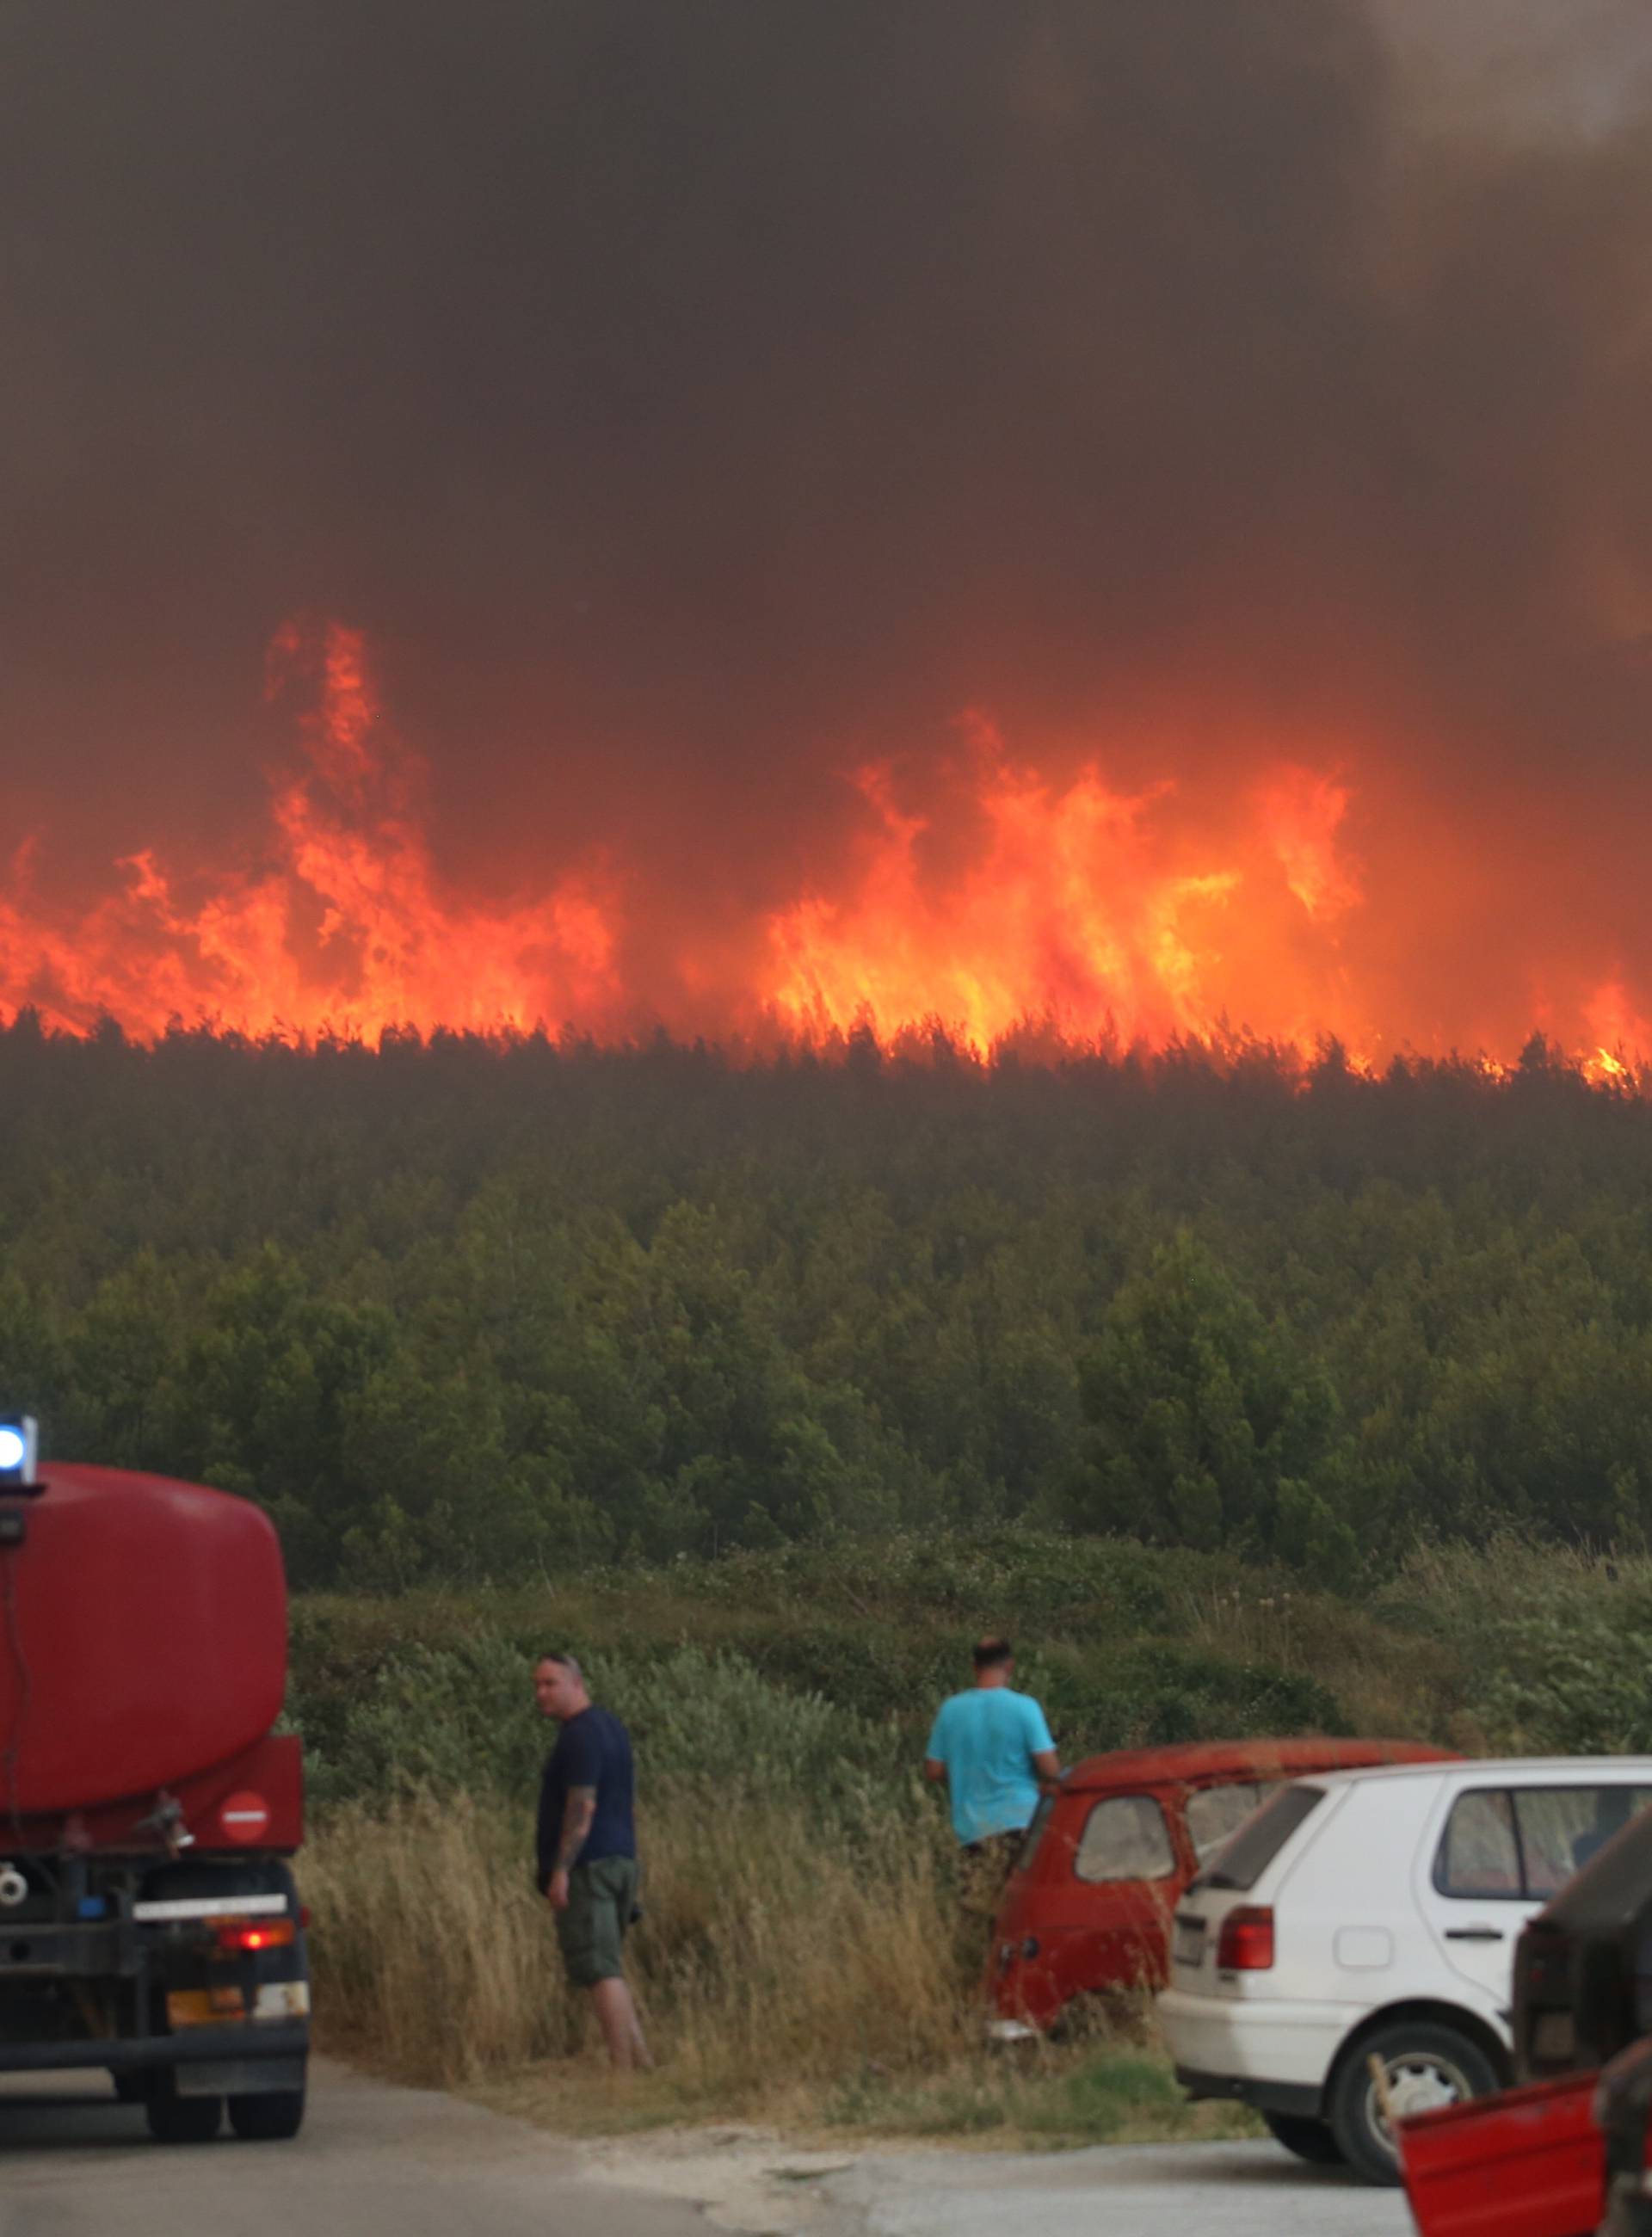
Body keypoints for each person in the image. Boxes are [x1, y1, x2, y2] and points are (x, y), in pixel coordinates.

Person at [534, 1651, 650, 2071]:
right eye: (538, 1684)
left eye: (551, 1684)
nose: (541, 1693)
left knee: (600, 1969)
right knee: (610, 1966)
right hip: (622, 1859)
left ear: (576, 1684)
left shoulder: (579, 1735)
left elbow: (582, 1806)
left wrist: (561, 1870)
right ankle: (642, 2062)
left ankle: (622, 2072)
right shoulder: (611, 1728)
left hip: (592, 1866)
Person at [924, 1636, 1060, 1881]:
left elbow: (933, 1770)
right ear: (1009, 1665)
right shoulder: (1025, 1707)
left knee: (979, 1904)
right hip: (1021, 1822)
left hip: (971, 1830)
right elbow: (1050, 1769)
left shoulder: (950, 1710)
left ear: (974, 1667)